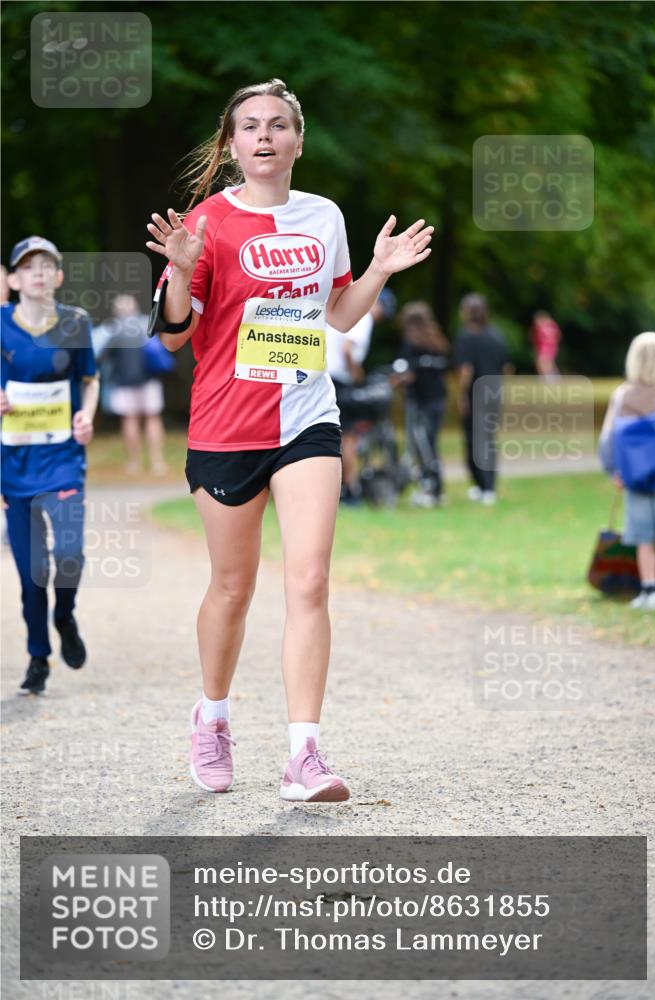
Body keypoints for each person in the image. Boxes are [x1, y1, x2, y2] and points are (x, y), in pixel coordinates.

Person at [145, 78, 433, 801]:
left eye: (278, 125)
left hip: (306, 417)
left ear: (298, 140)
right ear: (231, 144)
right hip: (225, 424)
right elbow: (176, 335)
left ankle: (303, 755)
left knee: (308, 580)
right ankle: (211, 718)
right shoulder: (208, 222)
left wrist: (377, 271)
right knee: (233, 587)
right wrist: (180, 269)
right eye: (250, 126)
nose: (265, 136)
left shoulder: (323, 216)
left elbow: (338, 316)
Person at [1, 236, 99, 694]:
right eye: (28, 266)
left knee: (70, 555)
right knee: (29, 574)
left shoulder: (76, 322)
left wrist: (87, 416)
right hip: (14, 465)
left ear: (58, 276)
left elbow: (90, 379)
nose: (38, 272)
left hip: (63, 459)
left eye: (47, 265)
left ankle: (65, 614)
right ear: (14, 279)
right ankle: (38, 657)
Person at [598, 331, 655, 610]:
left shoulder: (623, 395)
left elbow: (608, 438)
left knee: (643, 538)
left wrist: (613, 469)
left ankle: (649, 591)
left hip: (635, 477)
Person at [326, 287, 396, 505]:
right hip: (339, 379)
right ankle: (350, 489)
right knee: (349, 437)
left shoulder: (342, 311)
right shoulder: (363, 317)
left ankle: (335, 488)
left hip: (324, 375)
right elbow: (348, 349)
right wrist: (357, 375)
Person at [93, 293, 169, 475]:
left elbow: (100, 356)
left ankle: (134, 463)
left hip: (123, 382)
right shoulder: (146, 326)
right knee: (153, 418)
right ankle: (157, 462)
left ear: (117, 311)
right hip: (149, 380)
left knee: (130, 420)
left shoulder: (112, 330)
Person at [453, 293, 510, 506]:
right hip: (494, 392)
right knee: (488, 439)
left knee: (474, 440)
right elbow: (507, 367)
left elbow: (466, 370)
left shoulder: (467, 337)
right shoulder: (496, 335)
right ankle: (486, 486)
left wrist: (460, 395)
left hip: (475, 394)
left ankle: (483, 485)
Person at [398, 301, 449, 507]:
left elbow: (407, 373)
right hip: (438, 399)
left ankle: (430, 487)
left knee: (421, 446)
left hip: (419, 402)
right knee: (431, 444)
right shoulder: (437, 341)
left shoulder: (411, 344)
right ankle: (435, 487)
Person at [531, 309, 562, 381]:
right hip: (545, 347)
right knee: (547, 363)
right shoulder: (550, 326)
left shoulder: (548, 326)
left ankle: (548, 378)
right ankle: (553, 377)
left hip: (548, 347)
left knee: (542, 362)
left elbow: (555, 336)